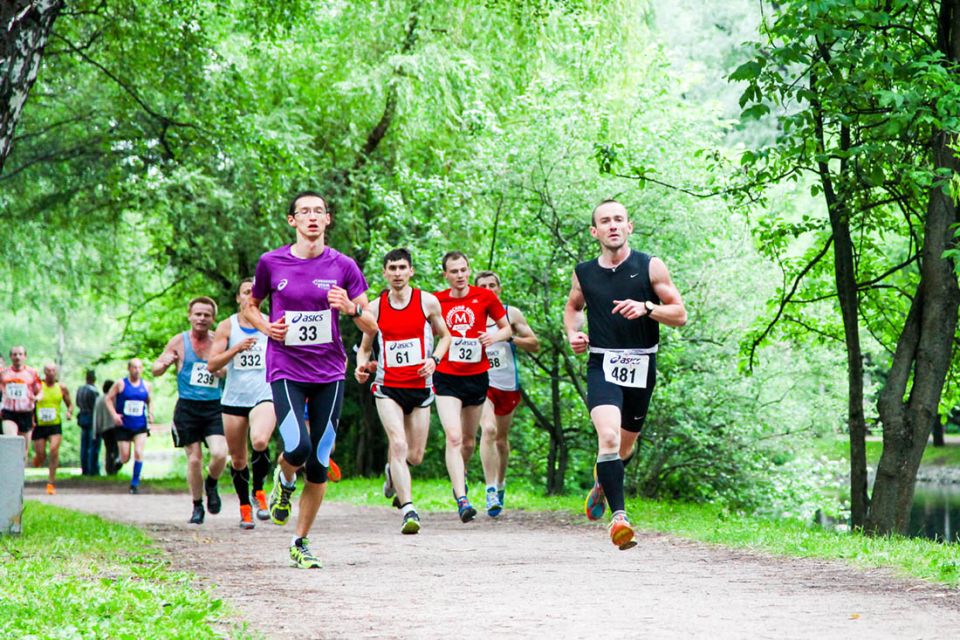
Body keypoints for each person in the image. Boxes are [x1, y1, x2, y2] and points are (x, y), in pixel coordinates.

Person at [244, 190, 375, 568]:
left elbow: (372, 322)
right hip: (286, 366)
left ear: (328, 219)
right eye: (305, 212)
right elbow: (250, 306)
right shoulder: (272, 262)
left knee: (319, 461)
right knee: (298, 447)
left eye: (319, 211)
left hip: (329, 370)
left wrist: (350, 308)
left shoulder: (344, 266)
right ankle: (284, 482)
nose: (312, 217)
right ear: (293, 221)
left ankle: (300, 541)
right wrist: (267, 326)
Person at [563, 199, 687, 550]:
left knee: (624, 447)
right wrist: (574, 334)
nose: (613, 225)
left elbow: (679, 314)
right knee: (609, 439)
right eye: (605, 221)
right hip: (602, 363)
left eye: (619, 219)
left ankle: (603, 482)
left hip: (641, 365)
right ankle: (619, 518)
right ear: (595, 231)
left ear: (629, 226)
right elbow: (573, 307)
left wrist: (648, 308)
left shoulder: (650, 266)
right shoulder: (584, 272)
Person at [355, 248, 451, 534]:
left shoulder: (428, 302)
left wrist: (434, 360)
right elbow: (364, 348)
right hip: (387, 387)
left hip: (420, 387)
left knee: (415, 455)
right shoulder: (375, 308)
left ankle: (391, 472)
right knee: (397, 444)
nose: (397, 273)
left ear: (411, 271)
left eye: (402, 268)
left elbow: (445, 337)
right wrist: (361, 368)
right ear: (384, 273)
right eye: (392, 268)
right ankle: (409, 509)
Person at [433, 251, 512, 522]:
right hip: (446, 377)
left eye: (463, 270)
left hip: (477, 377)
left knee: (468, 442)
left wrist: (492, 336)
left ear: (469, 270)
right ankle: (462, 498)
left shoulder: (485, 297)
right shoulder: (437, 300)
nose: (460, 275)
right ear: (445, 274)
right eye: (454, 271)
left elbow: (507, 329)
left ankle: (461, 476)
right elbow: (424, 331)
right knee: (453, 437)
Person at [207, 278, 277, 529]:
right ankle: (244, 507)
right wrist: (235, 349)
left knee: (259, 440)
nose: (250, 296)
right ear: (238, 298)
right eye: (246, 292)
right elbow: (212, 364)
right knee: (237, 460)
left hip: (264, 393)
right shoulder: (227, 326)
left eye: (255, 292)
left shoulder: (271, 323)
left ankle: (259, 492)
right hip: (234, 398)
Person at [152, 298, 228, 524]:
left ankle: (212, 483)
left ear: (213, 318)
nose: (202, 319)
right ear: (190, 316)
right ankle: (197, 506)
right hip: (187, 407)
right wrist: (164, 363)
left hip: (215, 407)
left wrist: (221, 371)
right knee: (194, 460)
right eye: (198, 314)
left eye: (206, 315)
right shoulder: (178, 341)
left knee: (219, 454)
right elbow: (156, 369)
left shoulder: (219, 341)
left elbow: (230, 370)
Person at [473, 270, 540, 516]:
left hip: (507, 384)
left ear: (499, 289)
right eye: (483, 286)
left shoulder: (511, 314)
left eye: (493, 285)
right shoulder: (471, 315)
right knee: (488, 430)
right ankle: (490, 488)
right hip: (482, 382)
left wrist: (510, 339)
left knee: (501, 439)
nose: (489, 289)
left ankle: (500, 483)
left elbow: (534, 343)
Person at [105, 359, 153, 494]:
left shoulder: (147, 385)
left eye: (139, 368)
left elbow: (150, 401)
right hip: (123, 425)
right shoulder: (121, 384)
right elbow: (108, 398)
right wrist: (114, 415)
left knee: (139, 452)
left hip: (140, 425)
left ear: (142, 369)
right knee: (126, 457)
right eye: (134, 367)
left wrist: (150, 413)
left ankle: (134, 484)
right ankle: (119, 459)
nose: (137, 370)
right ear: (129, 368)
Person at [32, 363, 73, 494]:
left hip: (55, 425)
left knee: (54, 450)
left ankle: (51, 483)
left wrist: (69, 413)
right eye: (48, 370)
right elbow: (31, 403)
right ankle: (37, 460)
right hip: (40, 425)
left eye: (53, 370)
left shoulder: (61, 388)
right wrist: (31, 418)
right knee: (41, 455)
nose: (50, 372)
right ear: (44, 372)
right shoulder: (38, 387)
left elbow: (70, 404)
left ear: (56, 372)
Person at [1, 346, 42, 460]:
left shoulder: (32, 373)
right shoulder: (3, 373)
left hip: (26, 413)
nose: (17, 357)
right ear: (10, 357)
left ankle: (21, 476)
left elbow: (40, 392)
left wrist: (37, 398)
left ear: (25, 356)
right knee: (12, 442)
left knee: (23, 450)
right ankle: (10, 475)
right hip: (9, 413)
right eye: (14, 354)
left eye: (20, 354)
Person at [75, 370, 101, 476]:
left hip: (82, 417)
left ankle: (84, 469)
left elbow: (77, 403)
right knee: (93, 445)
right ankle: (92, 470)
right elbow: (97, 407)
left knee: (84, 446)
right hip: (92, 418)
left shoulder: (80, 390)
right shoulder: (94, 391)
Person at [92, 379, 119, 474]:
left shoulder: (99, 400)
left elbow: (96, 416)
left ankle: (110, 469)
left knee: (109, 449)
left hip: (104, 428)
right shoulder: (115, 399)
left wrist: (96, 430)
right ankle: (114, 467)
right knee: (116, 448)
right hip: (115, 427)